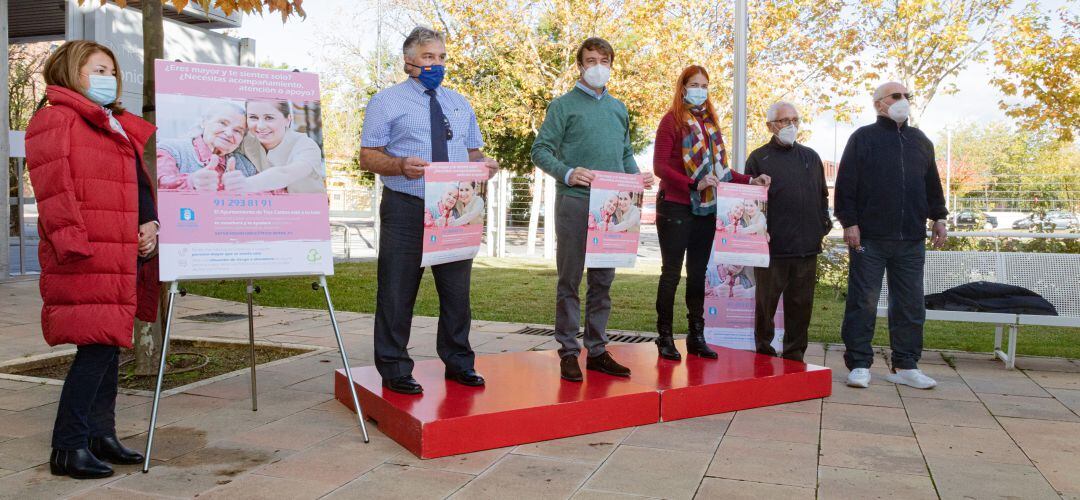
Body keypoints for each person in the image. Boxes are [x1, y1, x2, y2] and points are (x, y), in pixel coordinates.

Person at [25, 40, 159, 479]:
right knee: (96, 347)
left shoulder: (112, 124)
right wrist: (72, 244)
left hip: (122, 249)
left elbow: (139, 186)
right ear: (70, 70)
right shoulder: (55, 117)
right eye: (98, 69)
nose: (109, 78)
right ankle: (67, 446)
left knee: (110, 341)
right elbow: (53, 189)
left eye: (112, 71)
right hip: (88, 252)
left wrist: (149, 225)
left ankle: (101, 435)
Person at [359, 27, 499, 394]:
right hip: (406, 207)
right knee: (396, 290)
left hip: (452, 211)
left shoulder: (459, 102)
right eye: (428, 57)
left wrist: (486, 164)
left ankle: (458, 362)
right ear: (408, 62)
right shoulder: (386, 102)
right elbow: (368, 155)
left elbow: (472, 154)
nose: (437, 64)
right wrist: (400, 164)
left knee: (457, 292)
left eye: (441, 57)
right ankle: (394, 368)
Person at [531, 37, 654, 381]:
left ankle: (597, 351)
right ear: (580, 65)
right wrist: (568, 173)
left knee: (603, 283)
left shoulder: (618, 108)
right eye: (590, 60)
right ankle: (569, 351)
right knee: (569, 281)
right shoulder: (563, 106)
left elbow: (625, 152)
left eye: (604, 59)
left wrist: (635, 177)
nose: (597, 65)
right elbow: (540, 150)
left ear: (611, 63)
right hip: (574, 203)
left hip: (612, 208)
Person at [651, 65, 769, 361]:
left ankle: (696, 336)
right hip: (676, 205)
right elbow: (660, 167)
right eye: (694, 84)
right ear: (682, 87)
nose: (699, 89)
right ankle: (664, 336)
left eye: (704, 85)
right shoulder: (671, 121)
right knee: (671, 273)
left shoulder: (711, 125)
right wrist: (693, 182)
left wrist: (750, 181)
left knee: (698, 274)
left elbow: (721, 171)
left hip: (705, 208)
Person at [835, 82, 948, 389]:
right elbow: (846, 185)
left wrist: (939, 216)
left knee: (911, 305)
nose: (903, 101)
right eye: (896, 96)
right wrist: (849, 222)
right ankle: (859, 364)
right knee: (863, 303)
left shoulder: (920, 141)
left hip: (911, 240)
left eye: (907, 96)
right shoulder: (863, 139)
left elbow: (932, 184)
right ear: (879, 104)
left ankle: (906, 365)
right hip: (869, 239)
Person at [745, 101, 831, 363]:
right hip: (772, 250)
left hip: (807, 248)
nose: (791, 125)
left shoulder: (811, 157)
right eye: (784, 121)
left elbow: (822, 197)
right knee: (765, 307)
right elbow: (750, 202)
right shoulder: (759, 158)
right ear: (770, 125)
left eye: (795, 120)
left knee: (800, 307)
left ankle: (795, 357)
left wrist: (822, 226)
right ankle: (764, 353)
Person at [230, 99, 327, 194]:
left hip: (307, 208)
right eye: (253, 117)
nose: (260, 126)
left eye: (269, 118)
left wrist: (246, 184)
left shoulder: (306, 146)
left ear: (288, 120)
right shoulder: (247, 140)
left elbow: (286, 174)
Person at [157, 101, 258, 191]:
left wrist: (248, 187)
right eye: (222, 123)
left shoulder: (247, 167)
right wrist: (191, 182)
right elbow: (159, 182)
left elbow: (270, 193)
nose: (228, 133)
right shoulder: (171, 150)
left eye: (237, 131)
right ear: (203, 122)